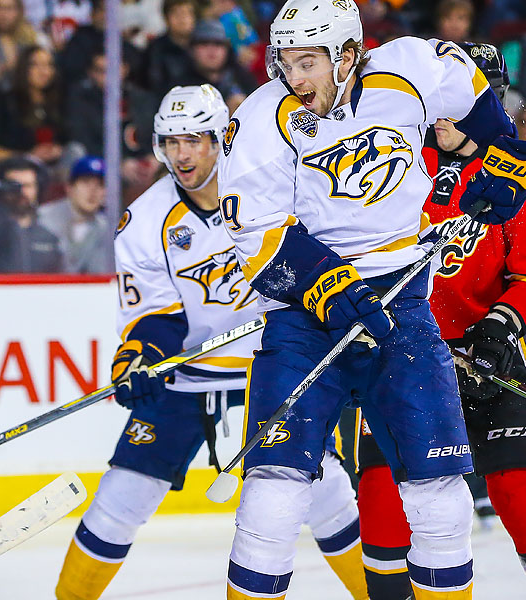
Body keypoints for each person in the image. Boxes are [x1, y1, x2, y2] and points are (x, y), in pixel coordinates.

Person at [217, 0, 526, 598]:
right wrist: (328, 286)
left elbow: (477, 98)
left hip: (401, 307)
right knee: (273, 489)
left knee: (439, 489)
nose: (295, 77)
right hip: (303, 318)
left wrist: (504, 161)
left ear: (347, 55)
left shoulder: (411, 66)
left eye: (308, 61)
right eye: (286, 61)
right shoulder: (264, 115)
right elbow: (254, 232)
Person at [54, 84, 370, 600]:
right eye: (172, 141)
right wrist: (138, 358)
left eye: (195, 140)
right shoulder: (145, 220)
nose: (183, 154)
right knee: (121, 495)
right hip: (191, 375)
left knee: (327, 494)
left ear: (220, 138)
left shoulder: (271, 186)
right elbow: (156, 315)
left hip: (275, 367)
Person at [354, 43, 526, 600]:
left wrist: (503, 323)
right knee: (383, 506)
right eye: (439, 99)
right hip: (400, 355)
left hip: (490, 358)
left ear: (492, 101)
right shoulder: (388, 162)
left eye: (464, 100)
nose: (447, 115)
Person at [0, 45, 66, 166]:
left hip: (52, 168)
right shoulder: (5, 102)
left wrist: (58, 150)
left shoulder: (57, 102)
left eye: (49, 65)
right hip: (16, 168)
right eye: (35, 65)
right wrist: (27, 157)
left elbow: (65, 140)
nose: (44, 71)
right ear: (24, 68)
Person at [38, 155, 110, 273]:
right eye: (86, 182)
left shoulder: (107, 229)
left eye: (100, 185)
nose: (93, 191)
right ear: (69, 188)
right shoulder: (43, 218)